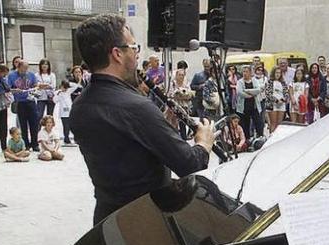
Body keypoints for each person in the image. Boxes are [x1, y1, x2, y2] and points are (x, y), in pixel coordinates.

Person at [70, 13, 214, 225]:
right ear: (117, 54)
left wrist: (162, 127)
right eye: (133, 47)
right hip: (146, 221)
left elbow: (125, 153)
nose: (137, 55)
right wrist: (204, 141)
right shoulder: (136, 107)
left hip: (107, 218)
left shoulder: (80, 105)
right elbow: (190, 164)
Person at [235, 65, 261, 138]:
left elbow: (258, 90)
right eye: (243, 72)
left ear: (250, 72)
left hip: (254, 106)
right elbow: (240, 92)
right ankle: (247, 139)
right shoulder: (240, 82)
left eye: (246, 71)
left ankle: (260, 136)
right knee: (245, 124)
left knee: (258, 123)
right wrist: (250, 95)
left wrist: (247, 90)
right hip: (244, 107)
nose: (245, 73)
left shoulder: (254, 80)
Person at [168, 68, 195, 139]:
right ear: (176, 75)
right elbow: (170, 95)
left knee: (183, 123)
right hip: (174, 106)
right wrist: (179, 94)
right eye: (179, 75)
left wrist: (182, 95)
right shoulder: (172, 84)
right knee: (174, 124)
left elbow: (189, 94)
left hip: (184, 107)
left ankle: (184, 138)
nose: (181, 76)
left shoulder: (186, 84)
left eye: (183, 75)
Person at [53, 80, 76, 145]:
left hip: (70, 111)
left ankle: (70, 138)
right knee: (66, 126)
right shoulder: (58, 93)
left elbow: (75, 86)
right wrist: (58, 93)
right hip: (63, 113)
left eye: (66, 87)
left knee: (70, 125)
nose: (65, 89)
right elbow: (54, 101)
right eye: (64, 87)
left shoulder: (68, 91)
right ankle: (66, 139)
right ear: (61, 86)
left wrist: (68, 84)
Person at [265, 66, 287, 132]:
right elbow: (268, 93)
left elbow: (286, 93)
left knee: (279, 124)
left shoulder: (283, 82)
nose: (278, 74)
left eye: (279, 73)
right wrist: (276, 100)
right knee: (273, 123)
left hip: (281, 104)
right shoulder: (269, 82)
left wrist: (282, 100)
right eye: (276, 72)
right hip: (273, 104)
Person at [251, 64, 268, 133]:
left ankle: (261, 132)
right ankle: (253, 132)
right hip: (254, 100)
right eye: (258, 70)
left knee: (262, 116)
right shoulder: (252, 79)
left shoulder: (265, 78)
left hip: (263, 99)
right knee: (255, 116)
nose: (260, 72)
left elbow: (266, 87)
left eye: (261, 70)